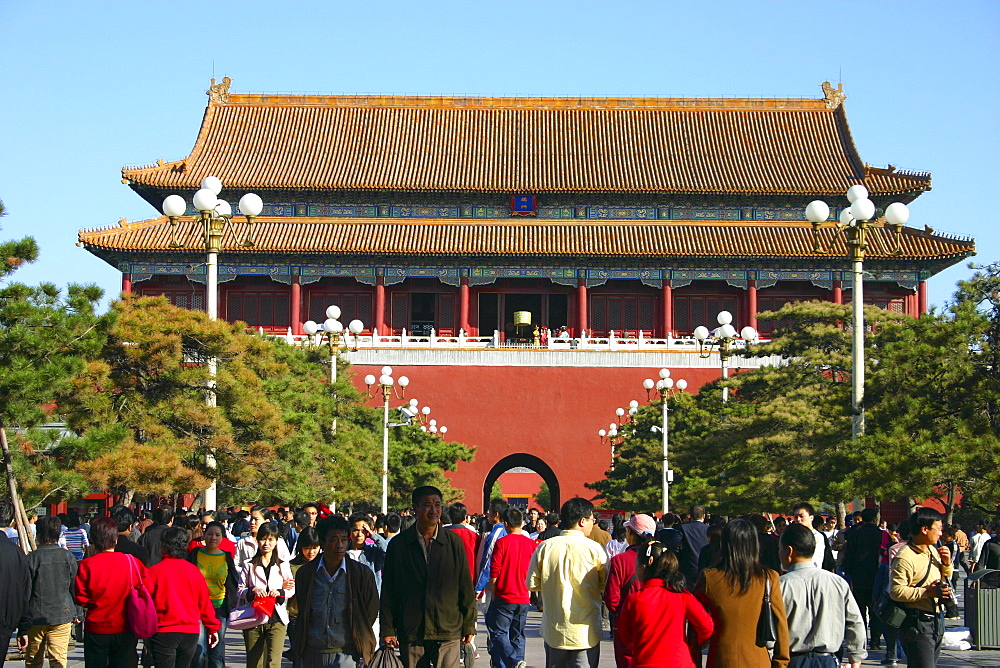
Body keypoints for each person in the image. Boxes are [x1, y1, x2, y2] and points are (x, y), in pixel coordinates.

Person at [381, 485, 477, 668]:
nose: (433, 510)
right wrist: (388, 628)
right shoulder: (399, 545)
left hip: (447, 626)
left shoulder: (453, 542)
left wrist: (469, 623)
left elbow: (465, 584)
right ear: (415, 508)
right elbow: (389, 590)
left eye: (437, 505)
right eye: (427, 505)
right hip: (411, 628)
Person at [695, 518, 791, 668]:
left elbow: (695, 625)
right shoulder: (769, 577)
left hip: (720, 659)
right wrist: (781, 662)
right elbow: (781, 624)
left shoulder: (709, 578)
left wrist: (695, 660)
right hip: (758, 659)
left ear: (724, 544)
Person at [526, 497, 608, 668]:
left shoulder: (545, 547)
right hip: (585, 631)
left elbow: (532, 583)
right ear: (582, 521)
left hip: (555, 629)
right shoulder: (594, 550)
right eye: (592, 519)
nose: (594, 523)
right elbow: (605, 585)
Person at [292, 516, 380, 668]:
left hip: (346, 652)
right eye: (333, 540)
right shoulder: (305, 573)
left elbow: (371, 609)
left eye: (344, 539)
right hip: (313, 650)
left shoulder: (361, 574)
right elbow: (301, 607)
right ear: (322, 543)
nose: (339, 545)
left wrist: (358, 632)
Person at [778, 523, 867, 668]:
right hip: (828, 659)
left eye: (779, 549)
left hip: (792, 660)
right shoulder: (837, 582)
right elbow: (854, 621)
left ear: (789, 551)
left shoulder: (780, 586)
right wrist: (856, 657)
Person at [616, 541, 714, 668]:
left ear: (646, 565)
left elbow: (625, 636)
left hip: (644, 662)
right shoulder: (683, 596)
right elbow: (707, 627)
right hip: (680, 662)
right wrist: (689, 646)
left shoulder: (634, 600)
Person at [75, 516, 147, 667]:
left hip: (96, 626)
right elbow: (146, 588)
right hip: (125, 626)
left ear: (93, 540)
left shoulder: (86, 564)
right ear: (115, 540)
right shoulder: (132, 562)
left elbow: (81, 598)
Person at [147, 527, 220, 668]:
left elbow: (144, 604)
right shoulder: (194, 571)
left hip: (163, 631)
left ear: (163, 546)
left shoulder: (153, 572)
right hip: (190, 632)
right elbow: (204, 603)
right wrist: (212, 627)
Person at [889, 507, 953, 668]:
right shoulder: (905, 557)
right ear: (925, 529)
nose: (940, 533)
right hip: (917, 622)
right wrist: (927, 592)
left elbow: (946, 577)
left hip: (937, 620)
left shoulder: (932, 550)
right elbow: (896, 591)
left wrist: (946, 564)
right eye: (938, 529)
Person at [17, 516, 79, 668]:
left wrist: (22, 626)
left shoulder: (32, 558)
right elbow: (74, 588)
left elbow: (26, 593)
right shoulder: (68, 557)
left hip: (35, 616)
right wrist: (78, 612)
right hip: (62, 614)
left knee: (33, 661)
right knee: (58, 660)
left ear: (38, 535)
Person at [239, 522, 295, 668]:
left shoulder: (282, 564)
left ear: (276, 541)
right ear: (258, 540)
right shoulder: (249, 565)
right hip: (254, 616)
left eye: (271, 540)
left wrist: (280, 592)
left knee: (273, 662)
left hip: (276, 617)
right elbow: (240, 590)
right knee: (254, 662)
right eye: (263, 539)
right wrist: (253, 590)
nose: (267, 543)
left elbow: (291, 588)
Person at [485, 508, 537, 668]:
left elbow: (494, 569)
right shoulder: (531, 544)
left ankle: (513, 660)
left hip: (504, 595)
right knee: (518, 634)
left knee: (498, 632)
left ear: (506, 524)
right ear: (522, 522)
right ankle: (517, 661)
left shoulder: (502, 542)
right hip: (523, 595)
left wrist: (493, 590)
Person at [603, 513, 655, 668]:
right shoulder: (663, 559)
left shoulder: (620, 561)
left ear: (631, 534)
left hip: (627, 623)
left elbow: (612, 599)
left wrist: (620, 614)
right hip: (655, 622)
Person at [189, 521, 238, 668]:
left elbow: (232, 582)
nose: (213, 538)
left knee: (216, 651)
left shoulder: (226, 557)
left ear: (222, 537)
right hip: (198, 609)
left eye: (217, 535)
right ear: (204, 535)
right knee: (199, 650)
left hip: (219, 608)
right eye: (210, 534)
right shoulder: (195, 555)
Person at [841, 507, 888, 648]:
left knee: (860, 611)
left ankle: (860, 641)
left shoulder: (855, 534)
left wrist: (848, 572)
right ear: (875, 519)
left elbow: (849, 555)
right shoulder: (882, 535)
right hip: (876, 576)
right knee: (876, 610)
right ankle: (875, 640)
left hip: (858, 576)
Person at [0, 500, 30, 668]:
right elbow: (24, 592)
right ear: (11, 521)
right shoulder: (17, 554)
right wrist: (23, 628)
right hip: (5, 620)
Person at [678, 504, 710, 588]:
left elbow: (678, 545)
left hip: (688, 566)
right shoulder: (709, 529)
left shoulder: (684, 528)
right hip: (706, 567)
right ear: (704, 515)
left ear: (690, 516)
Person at [790, 503, 825, 570]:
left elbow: (811, 559)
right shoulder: (792, 536)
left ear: (811, 517)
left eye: (801, 516)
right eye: (796, 517)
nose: (798, 520)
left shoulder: (817, 537)